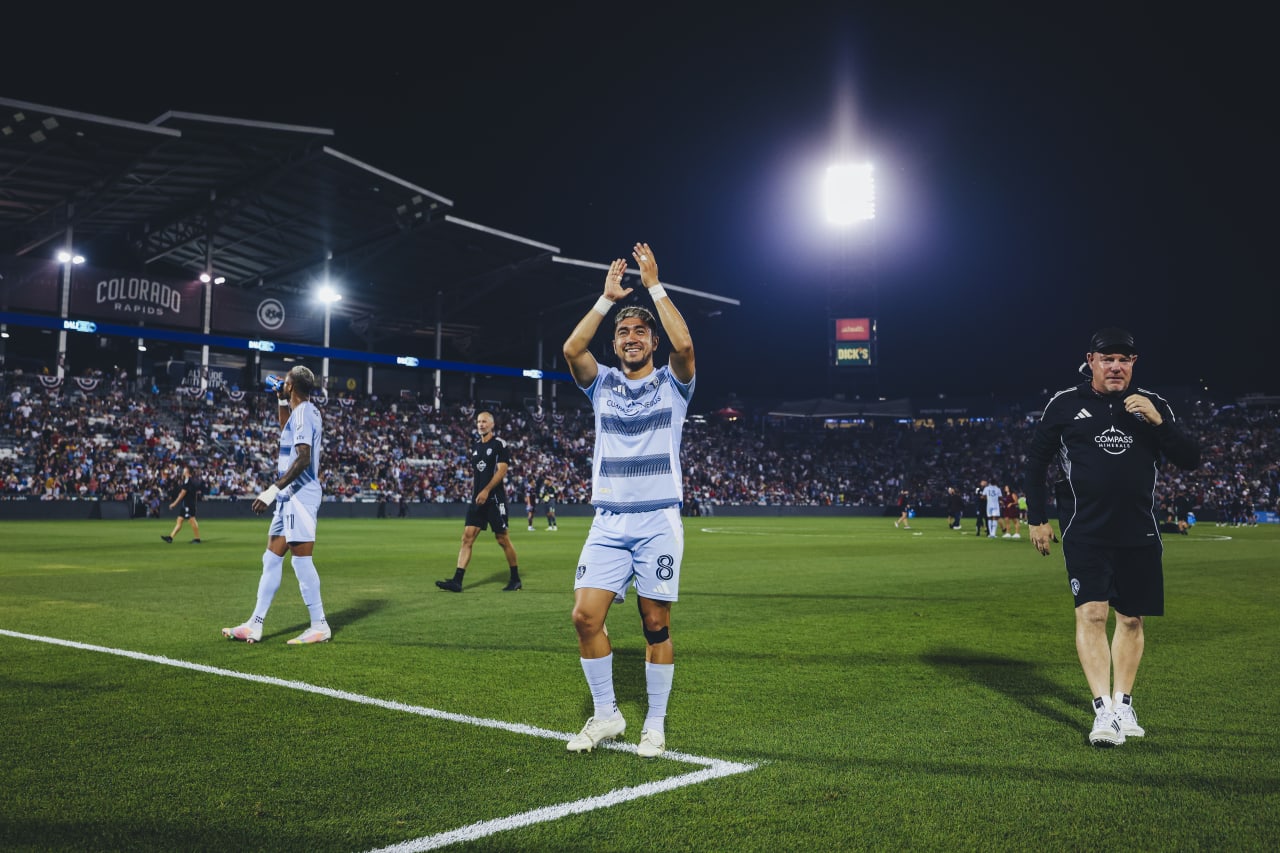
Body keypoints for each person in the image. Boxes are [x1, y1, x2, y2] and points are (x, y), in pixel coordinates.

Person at [1025, 327, 1199, 747]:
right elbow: (1036, 460)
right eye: (1108, 359)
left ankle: (1124, 703)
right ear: (1092, 361)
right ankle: (1103, 711)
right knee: (1091, 615)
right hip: (1085, 531)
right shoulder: (1066, 404)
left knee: (1132, 619)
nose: (1116, 366)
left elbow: (1190, 460)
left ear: (1134, 364)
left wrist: (1158, 423)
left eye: (1124, 359)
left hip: (1138, 531)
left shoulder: (1153, 406)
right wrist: (1037, 517)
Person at [562, 242, 694, 759]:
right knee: (584, 617)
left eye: (639, 331)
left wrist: (655, 286)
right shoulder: (604, 386)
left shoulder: (673, 385)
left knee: (654, 623)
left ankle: (655, 724)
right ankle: (607, 715)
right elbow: (573, 350)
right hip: (609, 521)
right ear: (615, 344)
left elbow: (686, 348)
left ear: (652, 341)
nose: (630, 337)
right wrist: (605, 301)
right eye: (623, 332)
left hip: (658, 519)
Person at [222, 365, 332, 644]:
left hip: (300, 494)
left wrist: (271, 491)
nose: (281, 383)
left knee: (301, 560)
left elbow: (304, 457)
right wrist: (280, 399)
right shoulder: (302, 411)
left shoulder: (305, 412)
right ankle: (254, 624)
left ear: (292, 385)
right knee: (271, 558)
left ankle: (320, 625)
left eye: (284, 382)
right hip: (290, 496)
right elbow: (287, 428)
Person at [436, 410, 522, 592]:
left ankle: (515, 579)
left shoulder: (500, 444)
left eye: (484, 422)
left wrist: (486, 491)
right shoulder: (475, 446)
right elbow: (479, 474)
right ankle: (457, 581)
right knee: (467, 538)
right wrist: (477, 492)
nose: (481, 424)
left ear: (492, 425)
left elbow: (501, 471)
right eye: (478, 422)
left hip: (494, 499)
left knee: (502, 539)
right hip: (478, 499)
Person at [161, 464, 202, 543]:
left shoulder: (188, 482)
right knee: (179, 520)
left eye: (184, 470)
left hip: (188, 505)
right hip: (186, 504)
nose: (182, 471)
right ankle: (170, 537)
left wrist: (174, 504)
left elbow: (181, 495)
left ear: (187, 472)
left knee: (192, 520)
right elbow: (194, 494)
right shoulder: (189, 481)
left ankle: (197, 539)